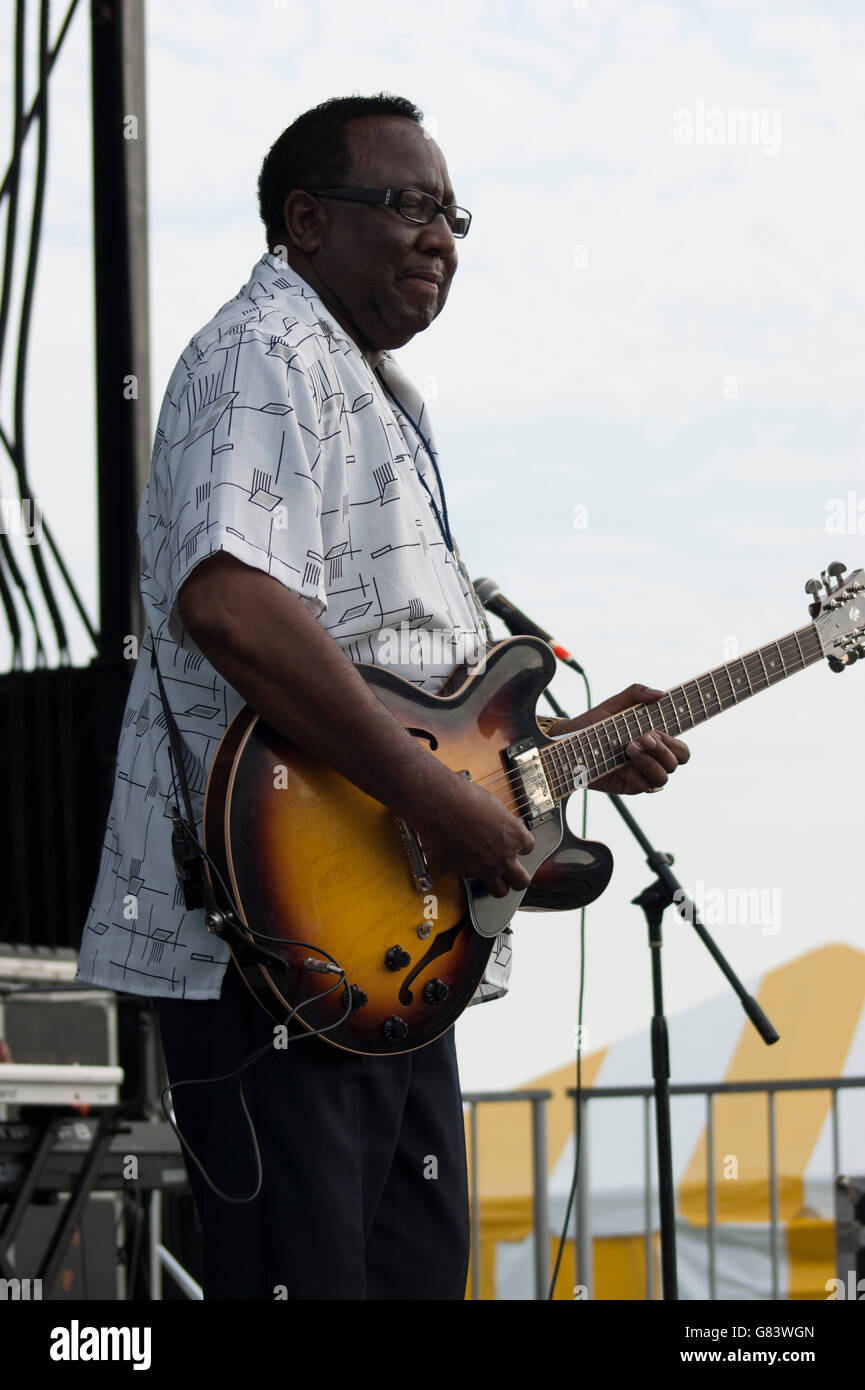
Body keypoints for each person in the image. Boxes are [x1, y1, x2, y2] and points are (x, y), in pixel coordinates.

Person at [76, 93, 690, 1301]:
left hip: (384, 947)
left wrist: (562, 749)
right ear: (304, 220)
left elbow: (411, 691)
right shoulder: (268, 350)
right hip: (270, 943)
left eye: (453, 215)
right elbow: (231, 604)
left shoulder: (378, 394)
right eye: (408, 205)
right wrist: (429, 795)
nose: (440, 238)